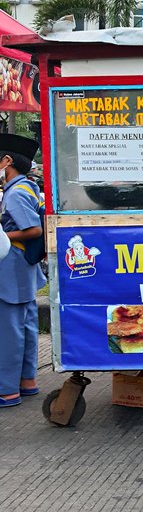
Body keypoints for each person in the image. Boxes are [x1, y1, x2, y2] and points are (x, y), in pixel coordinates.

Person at [0, 134, 46, 408]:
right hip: (24, 268)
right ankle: (27, 381)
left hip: (12, 266)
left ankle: (6, 390)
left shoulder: (15, 193)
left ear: (7, 161)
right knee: (26, 325)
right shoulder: (27, 187)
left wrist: (5, 235)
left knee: (8, 330)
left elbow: (33, 229)